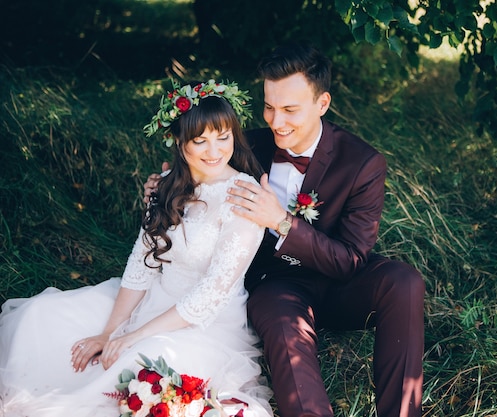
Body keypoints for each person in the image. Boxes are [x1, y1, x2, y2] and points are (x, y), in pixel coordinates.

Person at [145, 42, 425, 417]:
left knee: (404, 280)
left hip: (340, 281)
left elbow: (351, 260)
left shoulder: (363, 163)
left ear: (322, 104)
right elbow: (201, 176)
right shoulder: (250, 145)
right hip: (274, 284)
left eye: (290, 110)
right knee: (282, 322)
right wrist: (164, 189)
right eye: (269, 107)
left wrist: (280, 221)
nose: (277, 122)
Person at [0, 79, 273, 417]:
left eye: (223, 138)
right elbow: (142, 264)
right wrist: (109, 331)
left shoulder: (243, 197)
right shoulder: (165, 185)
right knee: (40, 318)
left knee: (134, 363)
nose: (214, 151)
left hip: (206, 323)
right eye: (200, 141)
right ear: (178, 140)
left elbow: (209, 296)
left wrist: (132, 337)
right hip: (152, 299)